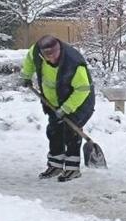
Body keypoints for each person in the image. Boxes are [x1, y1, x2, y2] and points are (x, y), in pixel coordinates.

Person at [20, 35, 95, 182]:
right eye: (48, 56)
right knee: (54, 131)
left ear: (59, 49)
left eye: (54, 54)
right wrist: (26, 76)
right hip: (54, 102)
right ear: (42, 53)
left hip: (79, 102)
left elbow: (82, 89)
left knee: (71, 131)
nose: (52, 59)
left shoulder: (73, 62)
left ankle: (72, 169)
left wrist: (66, 108)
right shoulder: (36, 52)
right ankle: (55, 165)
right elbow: (29, 59)